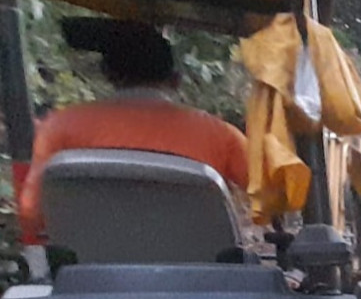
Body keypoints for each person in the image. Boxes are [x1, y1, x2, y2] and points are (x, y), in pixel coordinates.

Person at [18, 18, 249, 273]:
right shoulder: (220, 134)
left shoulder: (60, 127)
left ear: (108, 73)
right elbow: (275, 196)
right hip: (201, 283)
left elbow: (31, 214)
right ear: (175, 80)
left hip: (92, 282)